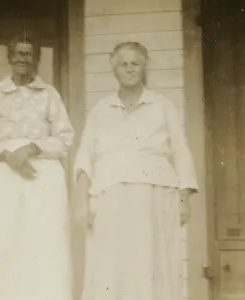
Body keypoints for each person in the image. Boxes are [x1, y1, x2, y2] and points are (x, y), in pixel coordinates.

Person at [73, 41, 198, 300]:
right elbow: (85, 157)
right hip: (110, 198)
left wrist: (184, 198)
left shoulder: (162, 106)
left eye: (135, 63)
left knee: (153, 263)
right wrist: (82, 202)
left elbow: (181, 152)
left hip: (154, 196)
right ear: (115, 69)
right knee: (111, 265)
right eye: (123, 64)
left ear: (144, 67)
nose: (129, 69)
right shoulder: (100, 110)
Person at [0, 34, 75, 300]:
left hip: (42, 177)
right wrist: (6, 155)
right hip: (1, 177)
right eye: (19, 53)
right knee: (0, 242)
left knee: (40, 243)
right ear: (9, 58)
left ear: (37, 59)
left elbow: (65, 138)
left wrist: (33, 148)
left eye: (29, 54)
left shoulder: (49, 94)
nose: (24, 59)